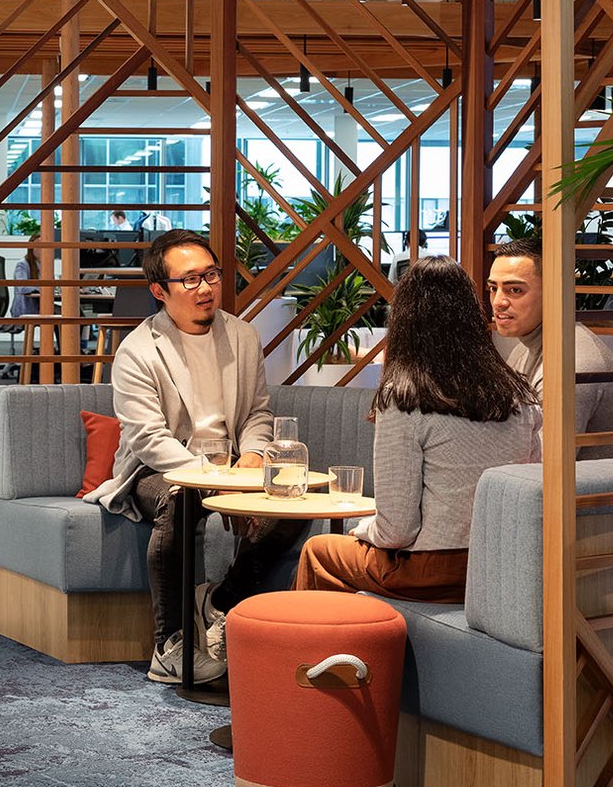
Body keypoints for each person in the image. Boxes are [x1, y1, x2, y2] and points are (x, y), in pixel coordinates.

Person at [83, 229, 309, 684]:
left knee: (292, 499)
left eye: (211, 275)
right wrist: (211, 478)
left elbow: (256, 412)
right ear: (159, 291)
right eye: (190, 280)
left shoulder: (242, 336)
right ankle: (170, 643)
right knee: (182, 498)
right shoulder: (138, 350)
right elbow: (148, 438)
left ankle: (222, 600)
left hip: (229, 466)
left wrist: (251, 456)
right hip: (156, 470)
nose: (205, 288)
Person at [295, 257, 542, 602]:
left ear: (403, 321)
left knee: (319, 551)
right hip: (500, 566)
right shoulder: (519, 395)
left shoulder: (405, 398)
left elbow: (396, 531)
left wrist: (365, 530)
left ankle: (326, 655)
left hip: (433, 569)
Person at [487, 238, 613, 459]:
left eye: (515, 290)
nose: (498, 302)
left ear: (553, 291)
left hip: (591, 490)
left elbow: (548, 462)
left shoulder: (574, 360)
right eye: (493, 288)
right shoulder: (524, 349)